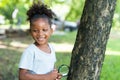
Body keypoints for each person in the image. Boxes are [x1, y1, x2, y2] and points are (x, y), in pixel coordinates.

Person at [19, 2, 61, 80]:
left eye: (44, 30)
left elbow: (52, 67)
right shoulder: (30, 51)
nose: (40, 34)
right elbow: (22, 76)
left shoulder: (51, 48)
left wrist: (55, 75)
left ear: (51, 31)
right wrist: (47, 77)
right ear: (30, 32)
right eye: (35, 30)